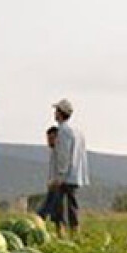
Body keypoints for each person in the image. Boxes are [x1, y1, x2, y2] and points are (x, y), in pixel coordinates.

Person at [49, 99, 89, 234]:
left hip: (65, 176)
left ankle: (61, 233)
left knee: (59, 207)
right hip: (75, 175)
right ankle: (75, 232)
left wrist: (60, 176)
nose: (55, 113)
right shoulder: (78, 132)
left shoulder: (64, 131)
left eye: (56, 111)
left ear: (60, 113)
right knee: (72, 205)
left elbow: (64, 155)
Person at [38, 126, 62, 225]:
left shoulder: (60, 152)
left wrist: (57, 180)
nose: (48, 141)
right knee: (51, 210)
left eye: (51, 139)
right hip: (52, 185)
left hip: (58, 185)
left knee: (50, 210)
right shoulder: (53, 152)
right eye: (48, 139)